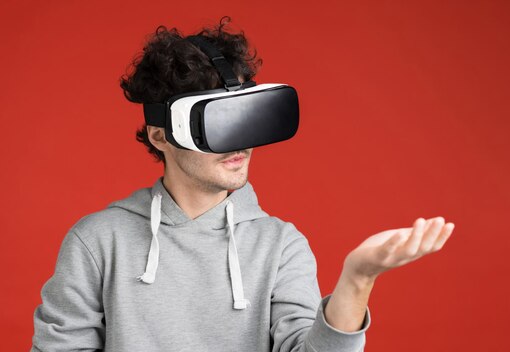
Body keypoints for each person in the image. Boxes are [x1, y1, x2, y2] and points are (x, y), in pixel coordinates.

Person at [31, 16, 456, 352]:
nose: (240, 146)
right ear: (161, 136)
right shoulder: (98, 241)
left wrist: (357, 279)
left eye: (244, 118)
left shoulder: (281, 245)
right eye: (217, 123)